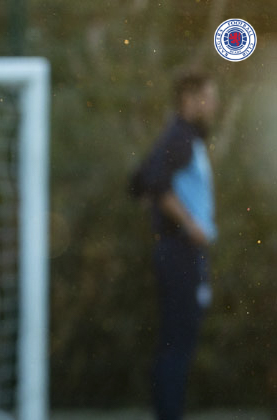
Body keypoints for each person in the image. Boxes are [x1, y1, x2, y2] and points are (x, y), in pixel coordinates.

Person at [129, 71, 218, 420]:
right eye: (210, 96)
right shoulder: (180, 138)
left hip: (178, 250)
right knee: (178, 341)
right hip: (180, 250)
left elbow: (139, 181)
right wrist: (190, 224)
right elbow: (154, 184)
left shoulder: (181, 137)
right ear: (190, 99)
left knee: (176, 339)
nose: (215, 104)